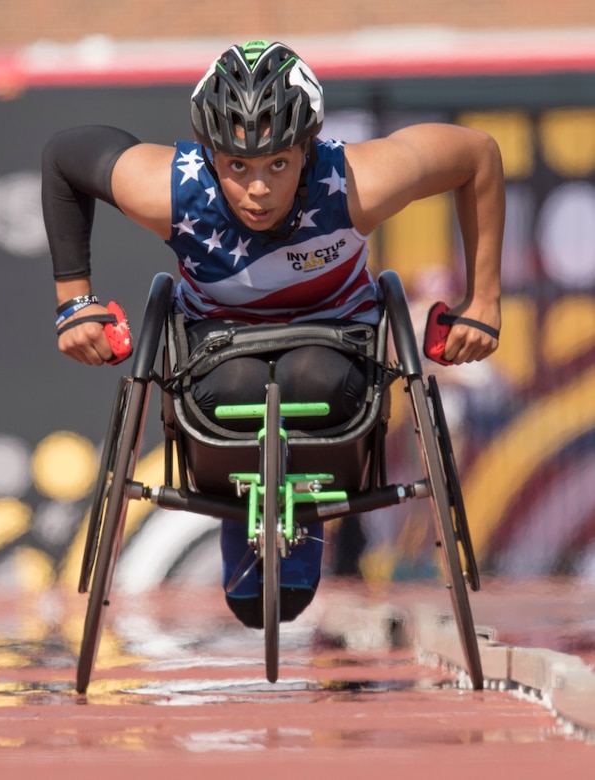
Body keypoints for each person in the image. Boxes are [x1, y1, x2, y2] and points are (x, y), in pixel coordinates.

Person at [41, 40, 504, 628]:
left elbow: (478, 156)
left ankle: (303, 510)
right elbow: (63, 155)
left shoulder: (358, 181)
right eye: (237, 167)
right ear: (210, 157)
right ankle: (243, 507)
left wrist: (483, 302)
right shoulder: (172, 191)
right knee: (234, 386)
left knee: (312, 373)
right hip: (220, 360)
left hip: (333, 357)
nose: (257, 189)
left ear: (308, 153)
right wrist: (74, 304)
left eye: (278, 164)